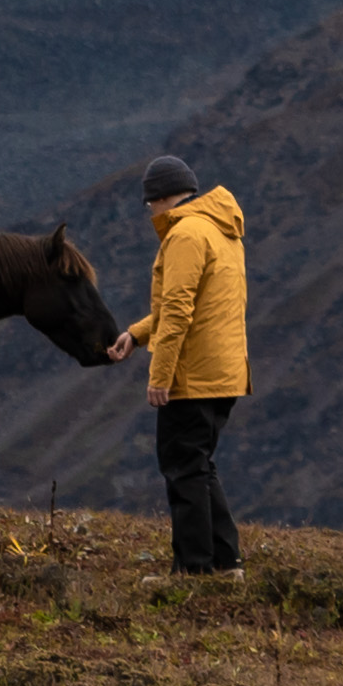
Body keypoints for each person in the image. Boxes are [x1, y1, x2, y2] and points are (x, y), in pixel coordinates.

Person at [104, 152, 248, 575]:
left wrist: (160, 375)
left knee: (183, 469)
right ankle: (226, 563)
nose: (149, 211)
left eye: (149, 202)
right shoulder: (222, 231)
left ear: (162, 198)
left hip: (194, 374)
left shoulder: (185, 235)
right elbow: (187, 305)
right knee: (200, 466)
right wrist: (137, 333)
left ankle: (193, 571)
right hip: (226, 373)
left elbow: (180, 309)